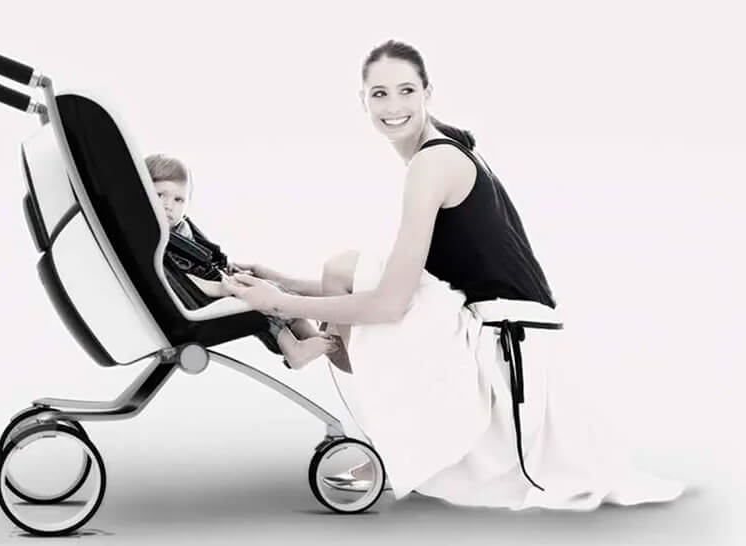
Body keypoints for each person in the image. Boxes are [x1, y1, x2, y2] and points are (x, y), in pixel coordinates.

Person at [221, 40, 685, 510]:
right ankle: (353, 394)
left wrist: (277, 302)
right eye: (379, 94)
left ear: (427, 92)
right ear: (363, 101)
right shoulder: (442, 153)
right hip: (499, 328)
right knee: (345, 272)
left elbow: (390, 303)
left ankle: (375, 424)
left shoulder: (433, 163)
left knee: (346, 269)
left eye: (406, 90)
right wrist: (282, 282)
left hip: (508, 341)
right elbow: (398, 285)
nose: (393, 106)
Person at [145, 153, 340, 369]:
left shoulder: (181, 228)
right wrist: (222, 288)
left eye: (178, 199)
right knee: (257, 302)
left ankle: (309, 334)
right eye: (160, 195)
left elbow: (205, 253)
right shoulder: (156, 240)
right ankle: (292, 349)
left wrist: (227, 268)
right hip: (198, 297)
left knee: (274, 290)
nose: (168, 205)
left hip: (218, 280)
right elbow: (178, 280)